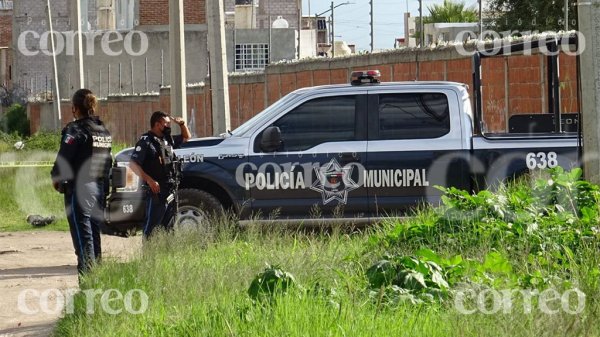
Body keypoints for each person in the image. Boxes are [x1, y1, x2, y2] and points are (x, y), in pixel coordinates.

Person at [51, 89, 112, 275]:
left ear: (75, 108)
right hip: (99, 186)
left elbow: (64, 159)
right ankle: (97, 275)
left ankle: (87, 280)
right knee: (94, 232)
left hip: (81, 187)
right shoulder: (102, 130)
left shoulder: (75, 129)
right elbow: (108, 161)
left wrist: (56, 177)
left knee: (82, 234)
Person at [129, 111, 191, 238]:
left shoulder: (166, 139)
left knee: (168, 226)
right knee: (152, 226)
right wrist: (150, 180)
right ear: (157, 124)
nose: (169, 126)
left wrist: (182, 124)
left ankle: (163, 253)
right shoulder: (146, 141)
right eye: (166, 123)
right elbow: (133, 165)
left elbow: (186, 137)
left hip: (170, 188)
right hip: (156, 191)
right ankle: (148, 254)